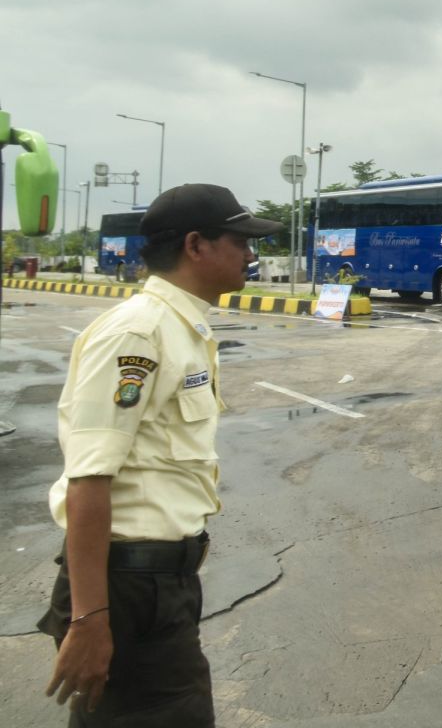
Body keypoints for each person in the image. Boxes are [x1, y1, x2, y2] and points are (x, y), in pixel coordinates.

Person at [38, 183, 282, 726]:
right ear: (195, 245)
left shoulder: (180, 327)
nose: (251, 254)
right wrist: (90, 619)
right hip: (127, 589)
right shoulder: (138, 332)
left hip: (159, 584)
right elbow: (89, 478)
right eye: (240, 241)